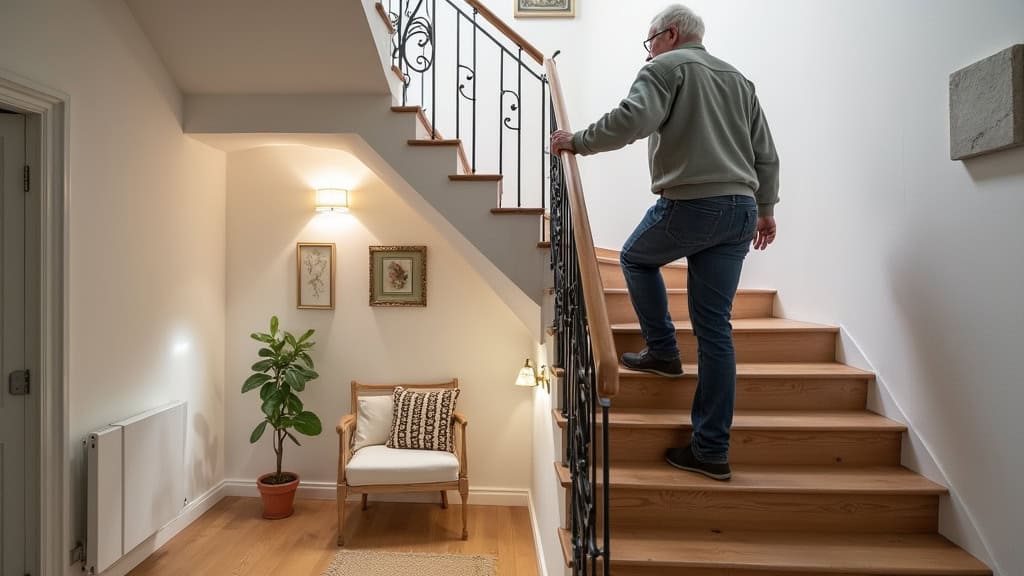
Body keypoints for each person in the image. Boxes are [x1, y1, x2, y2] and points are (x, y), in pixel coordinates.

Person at [550, 3, 779, 481]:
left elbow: (632, 120)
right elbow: (766, 153)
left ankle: (663, 351)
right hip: (740, 209)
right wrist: (766, 209)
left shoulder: (664, 67)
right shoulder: (738, 79)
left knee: (634, 258)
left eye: (650, 40)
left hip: (694, 204)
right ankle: (711, 450)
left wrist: (578, 141)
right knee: (716, 329)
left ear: (669, 35)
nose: (648, 49)